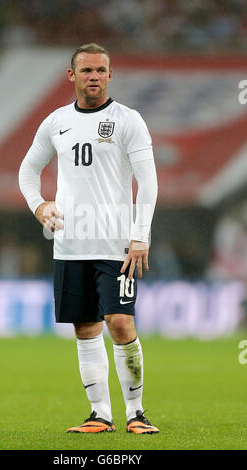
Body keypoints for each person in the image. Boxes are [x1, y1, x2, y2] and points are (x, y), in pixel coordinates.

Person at [19, 43, 159, 434]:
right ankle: (100, 414)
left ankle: (137, 413)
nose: (94, 77)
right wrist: (38, 205)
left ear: (110, 75)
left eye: (100, 70)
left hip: (117, 244)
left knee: (119, 322)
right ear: (72, 75)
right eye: (86, 71)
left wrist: (140, 236)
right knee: (84, 328)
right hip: (70, 244)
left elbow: (147, 182)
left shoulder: (129, 120)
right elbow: (27, 171)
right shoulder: (55, 122)